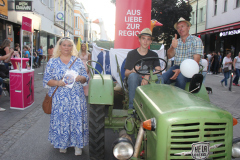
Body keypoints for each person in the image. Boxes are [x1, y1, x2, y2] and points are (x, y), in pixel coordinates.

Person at [43, 37, 89, 155]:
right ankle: (62, 143)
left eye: (69, 45)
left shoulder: (77, 61)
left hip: (76, 97)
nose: (66, 48)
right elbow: (47, 79)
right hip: (60, 98)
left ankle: (77, 145)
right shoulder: (52, 61)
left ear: (72, 47)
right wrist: (57, 83)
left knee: (76, 119)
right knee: (62, 120)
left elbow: (86, 77)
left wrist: (81, 78)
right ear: (60, 46)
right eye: (64, 45)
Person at [124, 28, 162, 109]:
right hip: (136, 79)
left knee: (159, 78)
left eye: (148, 39)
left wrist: (147, 75)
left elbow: (159, 71)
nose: (145, 41)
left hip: (149, 79)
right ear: (139, 40)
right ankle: (132, 108)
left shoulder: (154, 54)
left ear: (151, 42)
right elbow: (126, 73)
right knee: (133, 76)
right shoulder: (131, 54)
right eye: (143, 38)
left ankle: (157, 107)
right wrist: (132, 71)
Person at [162, 17, 203, 90]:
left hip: (191, 68)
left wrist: (181, 70)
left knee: (180, 78)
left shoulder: (196, 40)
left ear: (188, 27)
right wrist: (172, 47)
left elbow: (196, 62)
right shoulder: (176, 41)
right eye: (178, 28)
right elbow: (169, 56)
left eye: (182, 26)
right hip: (176, 66)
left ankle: (178, 100)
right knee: (163, 78)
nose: (180, 29)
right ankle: (165, 98)